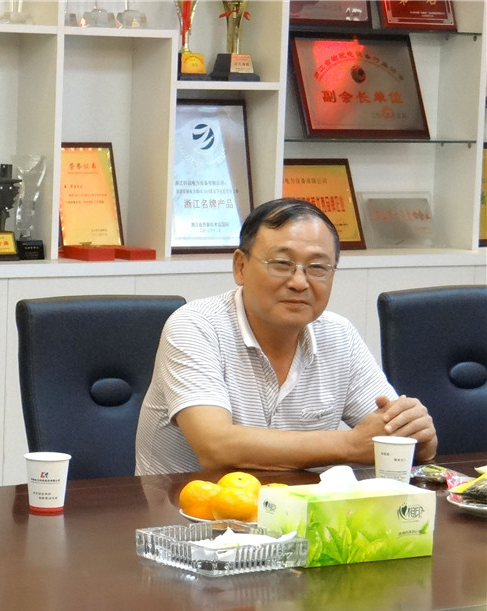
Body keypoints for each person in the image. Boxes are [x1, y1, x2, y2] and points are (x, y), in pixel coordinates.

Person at [135, 198, 437, 474]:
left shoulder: (339, 336)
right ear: (240, 267)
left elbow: (395, 437)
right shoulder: (195, 327)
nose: (299, 282)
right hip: (180, 511)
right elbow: (216, 447)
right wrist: (351, 445)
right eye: (281, 264)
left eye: (317, 267)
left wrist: (417, 435)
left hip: (300, 511)